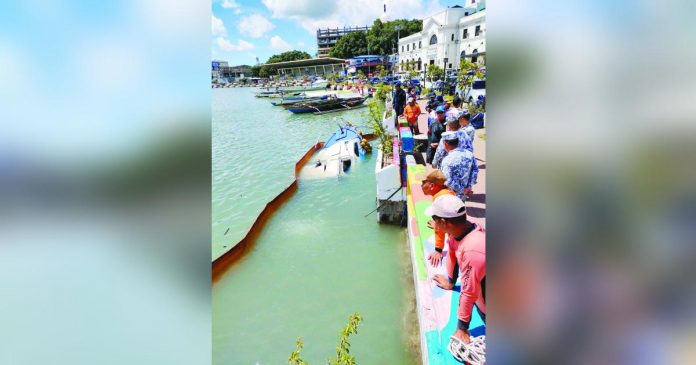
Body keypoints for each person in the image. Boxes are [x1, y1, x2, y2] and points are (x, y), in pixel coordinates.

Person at [425, 194, 486, 344]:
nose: (433, 223)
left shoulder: (473, 249)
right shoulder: (464, 227)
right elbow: (452, 250)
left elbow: (469, 290)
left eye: (435, 219)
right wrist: (450, 282)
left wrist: (462, 328)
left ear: (445, 222)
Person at [420, 170, 455, 266]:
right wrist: (437, 223)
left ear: (432, 186)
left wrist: (438, 250)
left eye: (423, 182)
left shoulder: (440, 200)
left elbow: (440, 227)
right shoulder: (446, 192)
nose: (421, 185)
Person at [439, 131, 478, 202]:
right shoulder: (469, 154)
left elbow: (448, 180)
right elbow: (475, 171)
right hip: (464, 194)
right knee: (460, 210)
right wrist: (468, 187)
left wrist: (462, 190)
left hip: (451, 194)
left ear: (445, 144)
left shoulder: (447, 160)